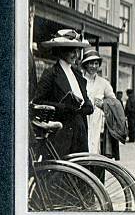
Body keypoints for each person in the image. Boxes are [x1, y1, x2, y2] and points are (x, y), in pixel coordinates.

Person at [32, 29, 93, 158]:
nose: (75, 55)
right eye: (71, 50)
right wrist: (63, 107)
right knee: (61, 172)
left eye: (77, 51)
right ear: (61, 50)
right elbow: (38, 102)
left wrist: (87, 105)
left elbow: (85, 99)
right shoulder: (51, 74)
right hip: (61, 132)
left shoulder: (77, 74)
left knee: (81, 170)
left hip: (80, 130)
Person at [81, 48, 118, 156]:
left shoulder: (103, 83)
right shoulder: (79, 80)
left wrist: (103, 105)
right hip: (83, 119)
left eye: (96, 63)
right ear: (85, 65)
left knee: (97, 150)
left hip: (98, 121)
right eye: (90, 63)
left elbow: (114, 102)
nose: (93, 66)